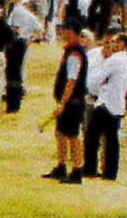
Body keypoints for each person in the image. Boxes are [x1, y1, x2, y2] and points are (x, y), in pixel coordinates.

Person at [41, 17, 89, 184]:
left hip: (72, 102)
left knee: (72, 136)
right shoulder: (71, 51)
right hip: (70, 101)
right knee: (60, 133)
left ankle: (77, 169)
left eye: (65, 30)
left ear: (72, 31)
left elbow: (72, 80)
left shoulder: (75, 53)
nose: (62, 33)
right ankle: (61, 166)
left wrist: (63, 102)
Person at [83, 32, 126, 180]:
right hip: (119, 102)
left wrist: (91, 85)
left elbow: (96, 79)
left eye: (115, 42)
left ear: (122, 44)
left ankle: (89, 168)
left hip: (106, 102)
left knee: (92, 136)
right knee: (112, 139)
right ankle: (110, 172)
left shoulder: (115, 59)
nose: (112, 45)